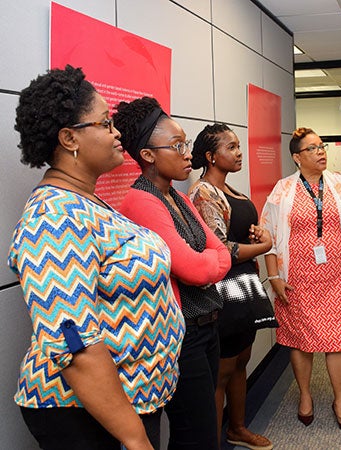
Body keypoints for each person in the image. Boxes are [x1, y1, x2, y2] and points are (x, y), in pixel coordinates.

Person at [8, 65, 184, 450]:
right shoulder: (54, 217)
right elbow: (72, 344)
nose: (117, 132)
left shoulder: (85, 200)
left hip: (126, 401)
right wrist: (137, 440)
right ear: (69, 137)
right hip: (84, 412)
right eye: (105, 123)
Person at [113, 98, 232, 450]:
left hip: (208, 324)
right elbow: (193, 268)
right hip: (184, 336)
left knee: (199, 430)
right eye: (178, 146)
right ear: (148, 155)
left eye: (187, 144)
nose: (188, 154)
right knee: (197, 435)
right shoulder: (141, 201)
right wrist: (207, 264)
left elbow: (220, 252)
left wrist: (208, 263)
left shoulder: (178, 198)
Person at [261, 127, 341, 434]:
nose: (321, 152)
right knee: (301, 340)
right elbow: (268, 236)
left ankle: (339, 401)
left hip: (336, 276)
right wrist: (273, 277)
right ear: (297, 158)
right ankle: (305, 396)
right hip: (297, 279)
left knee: (339, 340)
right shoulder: (282, 190)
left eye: (322, 146)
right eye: (312, 149)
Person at [188, 124, 273, 450]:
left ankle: (237, 428)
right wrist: (264, 247)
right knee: (221, 372)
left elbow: (241, 235)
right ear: (211, 156)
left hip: (244, 286)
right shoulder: (203, 193)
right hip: (221, 290)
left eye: (239, 146)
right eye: (231, 147)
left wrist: (258, 236)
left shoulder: (231, 190)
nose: (239, 153)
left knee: (241, 362)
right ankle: (214, 443)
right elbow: (222, 249)